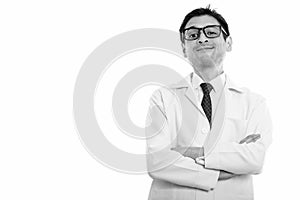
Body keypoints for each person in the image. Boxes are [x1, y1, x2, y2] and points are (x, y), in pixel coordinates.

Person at [145, 5, 272, 200]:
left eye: (211, 32)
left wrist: (194, 153)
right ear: (183, 48)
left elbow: (255, 159)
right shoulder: (163, 98)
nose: (202, 38)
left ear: (228, 43)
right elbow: (157, 161)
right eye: (193, 35)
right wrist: (227, 163)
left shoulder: (254, 102)